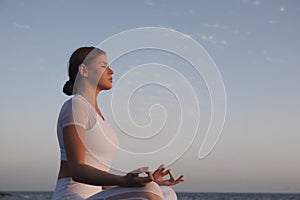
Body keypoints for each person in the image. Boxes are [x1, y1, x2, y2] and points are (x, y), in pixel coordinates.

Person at [52, 47, 184, 200]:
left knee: (167, 193)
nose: (111, 71)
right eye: (103, 66)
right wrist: (124, 180)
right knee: (152, 191)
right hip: (73, 196)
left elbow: (103, 185)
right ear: (84, 70)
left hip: (97, 195)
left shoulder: (97, 114)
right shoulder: (76, 105)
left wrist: (143, 181)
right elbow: (77, 170)